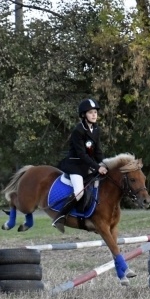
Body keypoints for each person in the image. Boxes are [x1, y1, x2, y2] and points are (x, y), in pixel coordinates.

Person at [53, 98, 108, 231]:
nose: (94, 115)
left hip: (87, 165)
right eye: (91, 112)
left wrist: (106, 164)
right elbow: (82, 154)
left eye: (95, 112)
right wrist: (97, 167)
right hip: (75, 165)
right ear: (84, 115)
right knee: (79, 192)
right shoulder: (78, 130)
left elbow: (98, 152)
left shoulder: (96, 129)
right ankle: (60, 217)